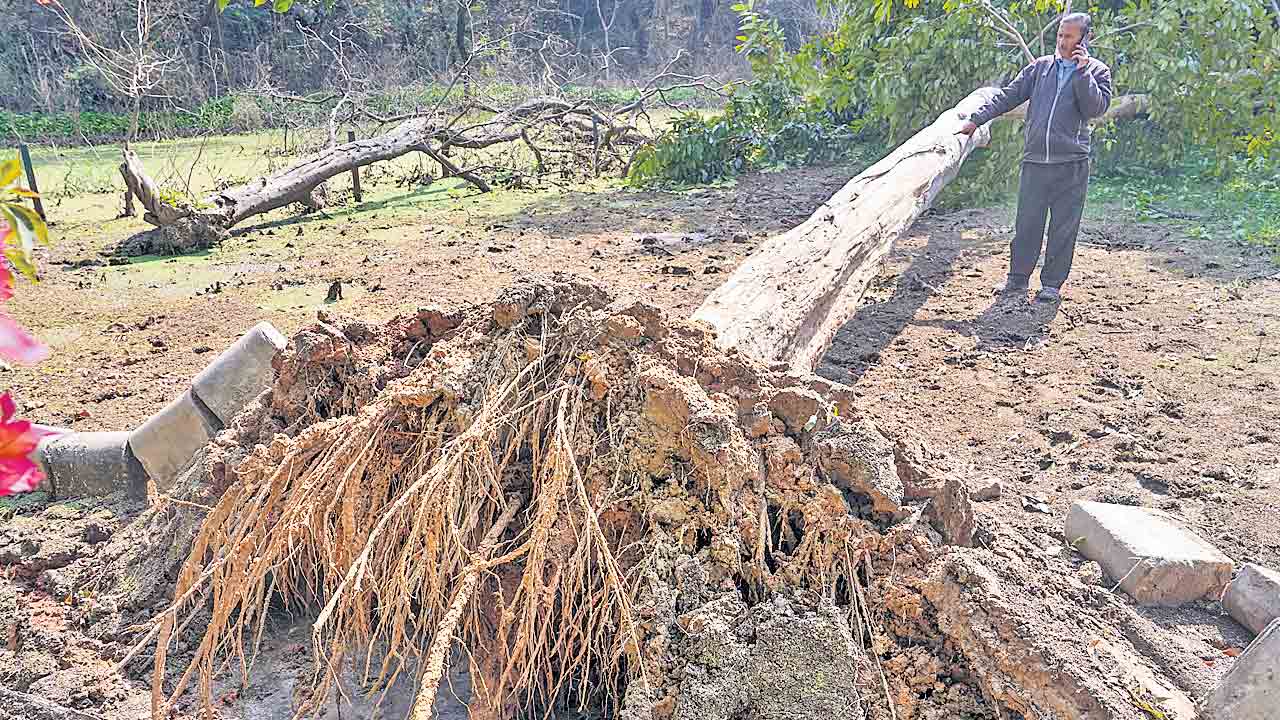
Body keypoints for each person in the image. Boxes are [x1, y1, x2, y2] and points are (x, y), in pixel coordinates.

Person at [958, 12, 1113, 303]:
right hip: (1035, 161)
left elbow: (1095, 108)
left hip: (1072, 163)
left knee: (1063, 228)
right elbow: (1008, 96)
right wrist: (976, 120)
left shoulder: (1097, 71)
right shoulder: (1040, 67)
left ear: (1085, 39)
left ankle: (1051, 285)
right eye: (1060, 35)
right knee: (1027, 223)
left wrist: (1082, 72)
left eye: (1069, 37)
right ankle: (1017, 279)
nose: (1062, 41)